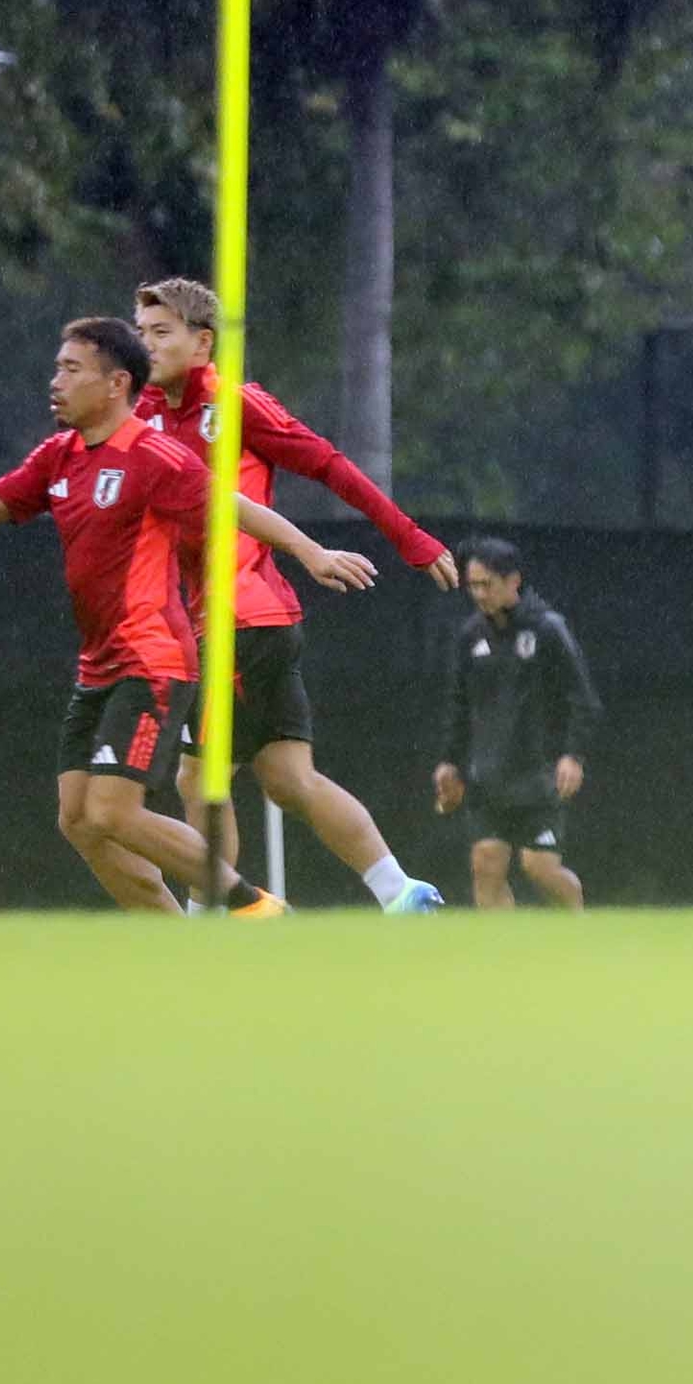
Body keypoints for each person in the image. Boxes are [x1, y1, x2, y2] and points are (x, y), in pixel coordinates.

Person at [0, 317, 371, 915]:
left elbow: (231, 505)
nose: (55, 382)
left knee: (114, 810)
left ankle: (259, 911)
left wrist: (311, 551)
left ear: (116, 384)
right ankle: (179, 948)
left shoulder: (154, 455)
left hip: (154, 659)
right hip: (99, 667)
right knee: (80, 821)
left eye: (71, 369)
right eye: (56, 368)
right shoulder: (59, 456)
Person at [130, 278, 452, 912]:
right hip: (245, 620)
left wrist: (407, 536)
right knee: (288, 778)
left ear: (203, 342)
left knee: (198, 778)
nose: (145, 345)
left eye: (160, 333)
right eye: (140, 333)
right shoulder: (143, 414)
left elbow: (327, 463)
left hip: (236, 619)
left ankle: (214, 914)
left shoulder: (234, 403)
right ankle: (401, 893)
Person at [433, 539, 602, 909]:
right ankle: (500, 954)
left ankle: (579, 927)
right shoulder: (470, 637)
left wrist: (573, 754)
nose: (479, 594)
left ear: (513, 582)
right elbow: (459, 705)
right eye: (472, 585)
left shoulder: (547, 630)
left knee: (539, 867)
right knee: (486, 864)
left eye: (487, 584)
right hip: (487, 778)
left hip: (537, 775)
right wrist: (450, 762)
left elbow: (582, 699)